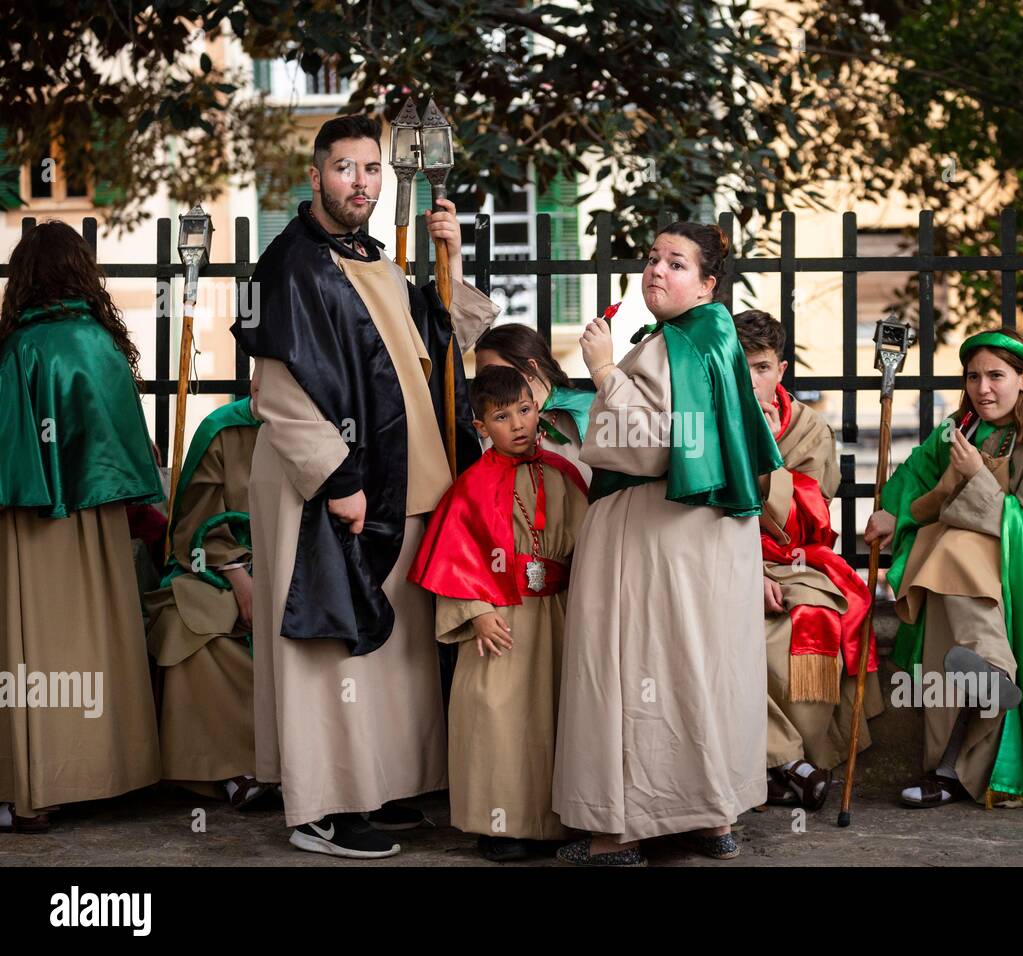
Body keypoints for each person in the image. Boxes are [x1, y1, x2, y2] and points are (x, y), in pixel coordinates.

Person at [231, 114, 498, 858]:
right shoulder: (293, 265)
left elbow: (446, 340)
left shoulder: (374, 257)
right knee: (328, 650)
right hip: (329, 490)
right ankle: (321, 806)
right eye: (345, 168)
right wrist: (337, 477)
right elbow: (278, 388)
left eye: (373, 169)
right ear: (315, 177)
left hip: (403, 483)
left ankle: (374, 787)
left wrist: (450, 257)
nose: (361, 182)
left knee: (390, 656)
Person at [552, 222, 783, 866]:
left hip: (657, 536)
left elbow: (651, 447)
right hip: (697, 540)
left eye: (676, 263)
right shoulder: (706, 340)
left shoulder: (685, 341)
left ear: (708, 283)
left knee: (638, 666)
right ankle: (706, 816)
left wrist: (602, 371)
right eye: (652, 259)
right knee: (693, 665)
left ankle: (619, 832)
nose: (656, 270)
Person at [864, 327, 1023, 810]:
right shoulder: (964, 428)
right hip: (976, 566)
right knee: (949, 583)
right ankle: (957, 747)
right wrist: (898, 512)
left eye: (996, 375)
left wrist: (974, 479)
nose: (983, 388)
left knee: (952, 555)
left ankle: (957, 762)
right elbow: (917, 476)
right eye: (973, 376)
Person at [0, 221, 163, 833]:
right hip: (99, 518)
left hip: (31, 520)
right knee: (101, 635)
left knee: (34, 647)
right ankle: (110, 773)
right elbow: (126, 446)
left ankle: (36, 790)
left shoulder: (22, 348)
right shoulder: (102, 344)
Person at [409, 365, 589, 862]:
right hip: (501, 618)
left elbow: (590, 548)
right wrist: (476, 612)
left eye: (526, 410)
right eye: (502, 416)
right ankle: (502, 823)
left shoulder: (564, 475)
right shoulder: (471, 485)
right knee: (497, 715)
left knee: (555, 715)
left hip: (556, 613)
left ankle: (559, 821)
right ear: (481, 426)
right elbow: (456, 555)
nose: (519, 425)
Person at [734, 309, 882, 811]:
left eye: (760, 367)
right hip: (723, 559)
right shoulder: (707, 421)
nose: (750, 379)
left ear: (780, 369)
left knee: (813, 618)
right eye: (738, 366)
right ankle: (789, 763)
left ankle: (798, 763)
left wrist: (768, 460)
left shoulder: (809, 428)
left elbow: (804, 518)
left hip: (793, 560)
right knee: (736, 630)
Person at [143, 397, 271, 809]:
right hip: (223, 569)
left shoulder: (331, 423)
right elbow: (194, 531)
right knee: (184, 623)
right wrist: (239, 576)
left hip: (304, 571)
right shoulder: (223, 429)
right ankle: (232, 769)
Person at [475, 323, 595, 483]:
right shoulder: (486, 423)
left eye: (497, 374)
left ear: (530, 368)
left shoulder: (589, 408)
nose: (487, 384)